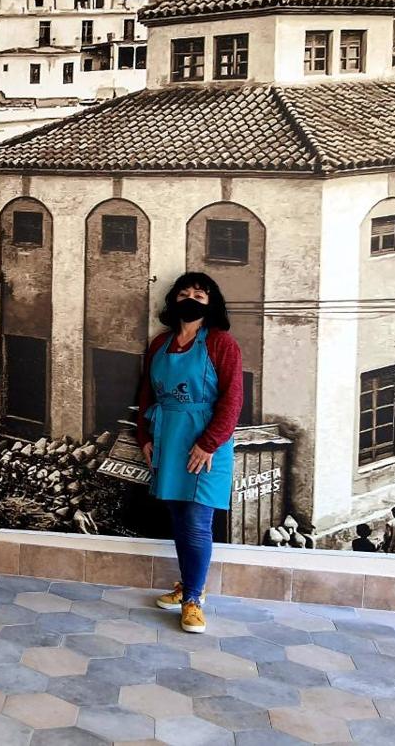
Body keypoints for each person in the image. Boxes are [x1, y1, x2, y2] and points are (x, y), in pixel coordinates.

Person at [137, 271, 243, 634]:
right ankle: (187, 585)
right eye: (185, 292)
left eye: (201, 293)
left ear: (211, 303)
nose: (192, 298)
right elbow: (146, 394)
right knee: (179, 517)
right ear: (173, 301)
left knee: (198, 521)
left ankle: (194, 599)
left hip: (206, 444)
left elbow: (233, 399)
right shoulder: (159, 343)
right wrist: (145, 438)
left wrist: (209, 442)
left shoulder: (221, 343)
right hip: (168, 436)